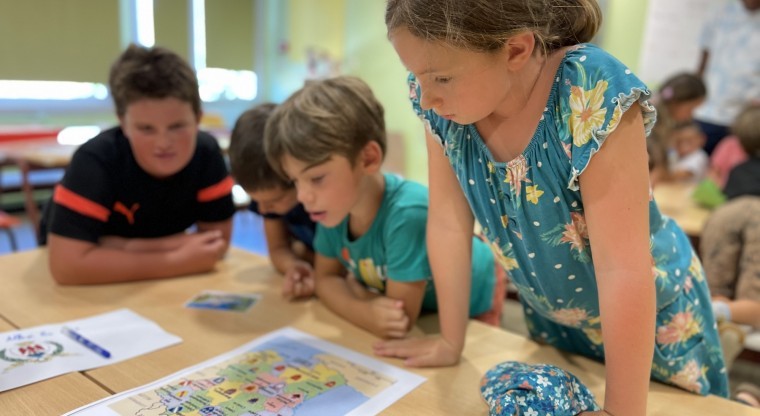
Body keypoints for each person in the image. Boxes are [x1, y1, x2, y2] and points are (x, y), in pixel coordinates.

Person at [377, 0, 729, 414]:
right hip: (556, 325)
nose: (427, 96)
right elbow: (449, 224)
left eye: (441, 77)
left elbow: (624, 267)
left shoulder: (588, 87)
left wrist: (621, 410)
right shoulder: (443, 109)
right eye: (416, 75)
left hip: (651, 326)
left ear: (515, 50)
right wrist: (451, 341)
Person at [264, 75, 505, 339]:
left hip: (477, 297)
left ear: (368, 158)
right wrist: (362, 305)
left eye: (316, 178)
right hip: (422, 306)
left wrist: (356, 294)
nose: (303, 196)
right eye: (295, 181)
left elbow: (398, 320)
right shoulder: (333, 211)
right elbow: (325, 280)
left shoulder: (406, 214)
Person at [45, 44, 235, 285]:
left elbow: (215, 243)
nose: (164, 143)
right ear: (122, 123)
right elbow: (66, 267)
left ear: (198, 118)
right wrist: (177, 258)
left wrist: (118, 246)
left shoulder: (206, 152)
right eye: (146, 129)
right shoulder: (95, 161)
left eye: (177, 126)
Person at [228, 103, 317, 299]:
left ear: (297, 178)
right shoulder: (269, 200)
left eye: (275, 200)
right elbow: (277, 249)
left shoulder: (322, 203)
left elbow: (342, 264)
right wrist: (294, 265)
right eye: (255, 199)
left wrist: (304, 254)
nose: (263, 209)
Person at [703, 104, 760, 329]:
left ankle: (714, 310)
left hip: (726, 214)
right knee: (754, 297)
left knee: (715, 287)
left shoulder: (739, 169)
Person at [694, 0, 760, 155]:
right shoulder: (720, 13)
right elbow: (704, 55)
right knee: (698, 164)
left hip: (745, 119)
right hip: (709, 111)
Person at [649, 73, 707, 182]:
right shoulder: (653, 123)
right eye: (691, 108)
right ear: (677, 102)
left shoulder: (665, 124)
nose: (690, 116)